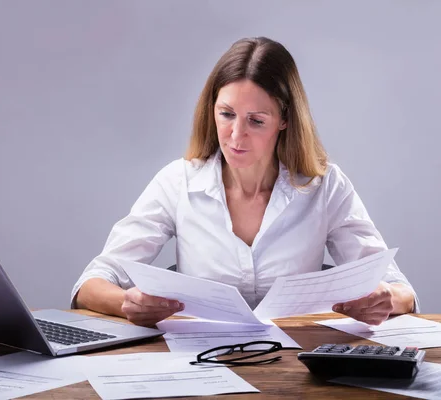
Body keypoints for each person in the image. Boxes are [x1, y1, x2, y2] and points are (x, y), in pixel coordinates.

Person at [71, 36, 419, 327]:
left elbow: (401, 290)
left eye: (256, 120)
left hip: (297, 368)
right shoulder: (178, 181)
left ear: (284, 119)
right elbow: (90, 284)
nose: (236, 135)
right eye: (226, 114)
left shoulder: (325, 187)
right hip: (200, 365)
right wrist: (126, 303)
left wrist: (384, 299)